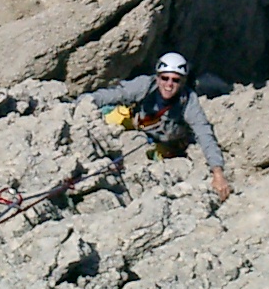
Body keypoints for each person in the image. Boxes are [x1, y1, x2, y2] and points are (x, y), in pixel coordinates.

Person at [83, 53, 231, 202]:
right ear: (157, 77)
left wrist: (218, 173)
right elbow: (115, 94)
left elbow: (204, 133)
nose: (169, 84)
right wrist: (83, 102)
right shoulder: (146, 85)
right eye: (165, 78)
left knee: (147, 158)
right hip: (136, 124)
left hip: (161, 143)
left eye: (175, 80)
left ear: (183, 82)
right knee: (110, 117)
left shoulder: (188, 101)